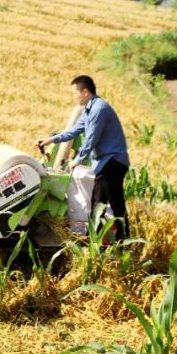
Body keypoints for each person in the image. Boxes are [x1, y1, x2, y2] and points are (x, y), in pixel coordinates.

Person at [36, 75, 130, 239]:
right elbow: (74, 131)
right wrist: (50, 140)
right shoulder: (89, 110)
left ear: (85, 92)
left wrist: (77, 160)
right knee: (109, 202)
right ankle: (113, 238)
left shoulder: (98, 110)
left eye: (75, 93)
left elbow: (91, 139)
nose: (73, 97)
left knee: (102, 203)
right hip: (108, 162)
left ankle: (106, 239)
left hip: (112, 162)